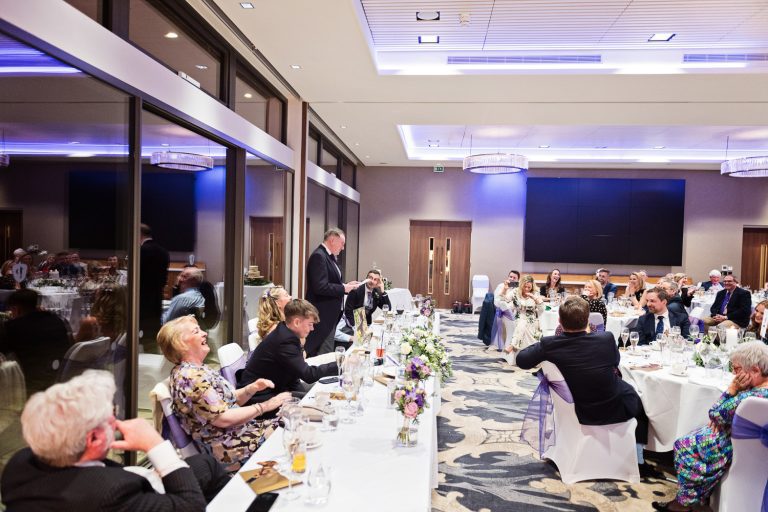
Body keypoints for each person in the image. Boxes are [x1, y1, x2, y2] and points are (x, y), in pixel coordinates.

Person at [0, 370, 229, 511]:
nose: (116, 417)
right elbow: (190, 507)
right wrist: (155, 445)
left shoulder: (21, 463)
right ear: (94, 438)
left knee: (203, 465)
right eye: (111, 413)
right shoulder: (110, 493)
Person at [516, 296, 650, 471]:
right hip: (612, 407)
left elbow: (522, 360)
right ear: (587, 320)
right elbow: (615, 363)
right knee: (639, 401)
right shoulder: (606, 339)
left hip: (572, 408)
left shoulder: (550, 344)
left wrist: (544, 345)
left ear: (559, 321)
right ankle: (640, 459)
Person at [157, 316, 290, 472]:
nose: (204, 333)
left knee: (294, 419)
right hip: (232, 449)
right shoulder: (191, 378)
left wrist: (251, 389)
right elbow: (223, 419)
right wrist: (266, 406)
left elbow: (228, 400)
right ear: (181, 344)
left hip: (244, 434)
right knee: (294, 428)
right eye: (196, 331)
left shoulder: (198, 370)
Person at [652, 341, 768, 511]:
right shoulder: (760, 391)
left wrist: (731, 389)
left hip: (733, 446)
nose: (733, 374)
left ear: (756, 370)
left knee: (683, 446)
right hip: (752, 447)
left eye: (736, 369)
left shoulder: (750, 397)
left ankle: (684, 503)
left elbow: (714, 412)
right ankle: (697, 495)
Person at [238, 299, 338, 402]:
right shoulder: (284, 341)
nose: (312, 329)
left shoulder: (285, 331)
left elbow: (295, 376)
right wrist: (340, 363)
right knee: (323, 401)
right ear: (297, 322)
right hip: (260, 396)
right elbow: (308, 375)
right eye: (310, 324)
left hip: (278, 387)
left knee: (325, 396)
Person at [0, 289, 71, 393]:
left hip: (30, 387)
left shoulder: (11, 328)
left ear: (16, 309)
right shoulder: (57, 320)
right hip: (59, 381)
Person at [305, 228, 360, 357]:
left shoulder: (328, 256)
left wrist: (346, 285)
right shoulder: (319, 256)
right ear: (332, 240)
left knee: (327, 348)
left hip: (330, 313)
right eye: (342, 243)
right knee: (324, 351)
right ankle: (321, 376)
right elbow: (320, 287)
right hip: (322, 313)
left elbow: (330, 281)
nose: (343, 248)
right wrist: (343, 289)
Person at [139, 224, 169, 352]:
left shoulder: (140, 251)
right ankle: (152, 352)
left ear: (139, 234)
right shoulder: (163, 252)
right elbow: (163, 279)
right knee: (152, 331)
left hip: (141, 297)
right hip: (157, 297)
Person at [502, 275, 544, 354]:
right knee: (522, 322)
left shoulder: (535, 293)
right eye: (525, 287)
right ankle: (515, 346)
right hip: (518, 317)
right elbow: (504, 299)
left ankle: (513, 345)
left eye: (529, 287)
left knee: (523, 323)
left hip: (532, 319)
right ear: (521, 285)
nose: (527, 289)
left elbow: (542, 308)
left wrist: (534, 297)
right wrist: (505, 289)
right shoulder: (515, 292)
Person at [491, 270, 521, 350]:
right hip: (502, 312)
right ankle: (503, 343)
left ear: (518, 280)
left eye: (514, 278)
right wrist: (504, 289)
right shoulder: (501, 286)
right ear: (508, 277)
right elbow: (497, 302)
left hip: (514, 311)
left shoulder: (518, 289)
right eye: (510, 277)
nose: (512, 279)